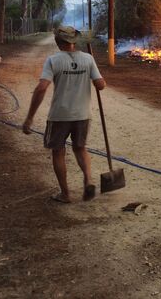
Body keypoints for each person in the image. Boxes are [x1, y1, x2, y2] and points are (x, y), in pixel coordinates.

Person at [22, 26, 106, 203]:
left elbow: (41, 88)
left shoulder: (53, 61)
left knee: (58, 152)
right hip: (83, 115)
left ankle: (66, 194)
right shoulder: (88, 59)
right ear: (74, 42)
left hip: (60, 116)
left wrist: (30, 117)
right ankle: (88, 180)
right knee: (80, 148)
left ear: (58, 42)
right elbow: (101, 85)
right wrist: (93, 75)